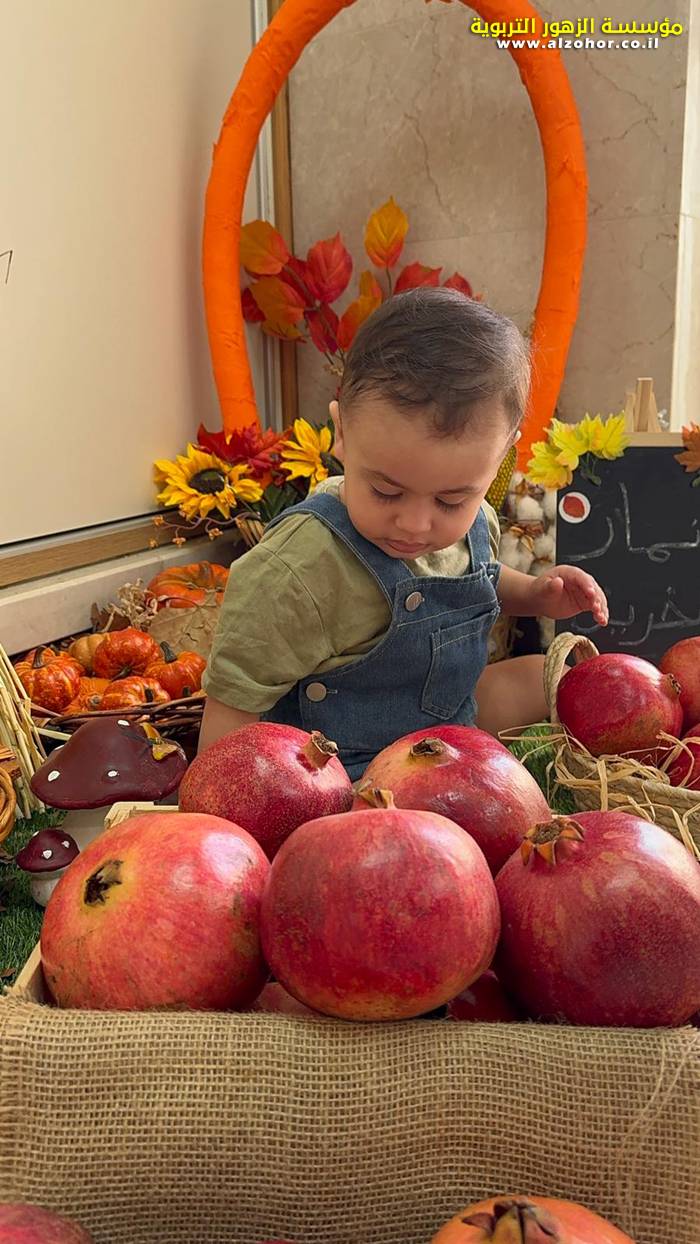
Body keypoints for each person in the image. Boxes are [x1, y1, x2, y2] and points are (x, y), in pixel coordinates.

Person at [199, 287, 607, 778]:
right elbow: (234, 697)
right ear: (342, 434)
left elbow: (477, 579)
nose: (415, 524)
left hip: (443, 729)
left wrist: (537, 594)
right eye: (386, 491)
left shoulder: (478, 522)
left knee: (555, 676)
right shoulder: (298, 568)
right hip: (338, 769)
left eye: (450, 501)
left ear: (502, 458)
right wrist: (223, 797)